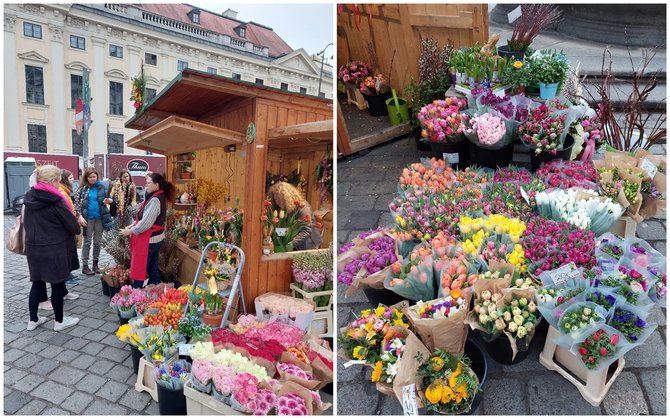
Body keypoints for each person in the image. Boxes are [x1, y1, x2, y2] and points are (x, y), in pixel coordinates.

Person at [23, 165, 81, 331]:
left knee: (37, 283)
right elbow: (73, 226)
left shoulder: (29, 195)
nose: (59, 184)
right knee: (56, 284)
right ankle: (60, 322)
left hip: (34, 248)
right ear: (53, 181)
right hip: (54, 248)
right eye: (58, 180)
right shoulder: (55, 200)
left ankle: (33, 320)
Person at [120, 172, 174, 288]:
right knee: (152, 269)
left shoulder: (155, 200)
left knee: (141, 268)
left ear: (157, 185)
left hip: (150, 240)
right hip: (155, 239)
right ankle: (158, 291)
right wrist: (131, 226)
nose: (146, 186)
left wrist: (130, 231)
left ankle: (136, 295)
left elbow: (146, 223)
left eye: (148, 183)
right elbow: (144, 219)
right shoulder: (157, 196)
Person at [73, 167, 114, 275]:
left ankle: (95, 264)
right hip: (88, 219)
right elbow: (76, 206)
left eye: (94, 176)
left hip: (100, 219)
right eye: (90, 177)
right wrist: (80, 217)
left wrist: (110, 201)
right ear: (86, 177)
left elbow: (110, 199)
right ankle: (85, 266)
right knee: (87, 242)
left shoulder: (102, 187)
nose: (92, 179)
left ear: (97, 177)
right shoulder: (82, 189)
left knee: (97, 242)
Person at [266, 181, 323, 251]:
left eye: (278, 199)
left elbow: (306, 230)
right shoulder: (286, 208)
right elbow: (290, 229)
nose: (277, 202)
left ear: (285, 198)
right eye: (275, 199)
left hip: (308, 245)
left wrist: (292, 244)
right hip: (296, 244)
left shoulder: (303, 207)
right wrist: (274, 233)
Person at [59, 169, 81, 286]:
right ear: (65, 179)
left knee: (70, 252)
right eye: (71, 178)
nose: (73, 180)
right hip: (66, 228)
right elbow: (66, 211)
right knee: (67, 252)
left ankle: (68, 273)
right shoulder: (62, 193)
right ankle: (66, 276)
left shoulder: (65, 191)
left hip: (68, 226)